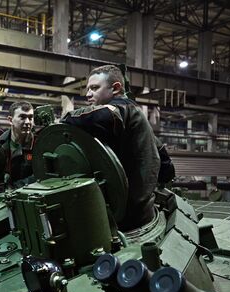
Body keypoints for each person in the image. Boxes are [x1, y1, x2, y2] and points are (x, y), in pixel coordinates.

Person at [61, 65, 160, 231]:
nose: (88, 94)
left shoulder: (123, 107)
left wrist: (65, 119)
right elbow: (164, 161)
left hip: (129, 216)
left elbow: (97, 116)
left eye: (94, 88)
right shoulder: (136, 116)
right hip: (143, 211)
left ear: (115, 88)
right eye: (87, 89)